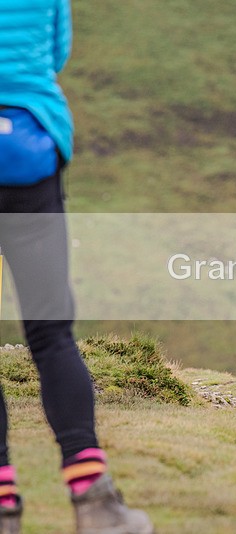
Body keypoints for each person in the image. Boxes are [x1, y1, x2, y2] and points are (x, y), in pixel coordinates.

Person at [0, 1, 153, 532]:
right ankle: (94, 502)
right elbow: (57, 53)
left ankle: (2, 503)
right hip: (28, 153)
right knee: (50, 334)